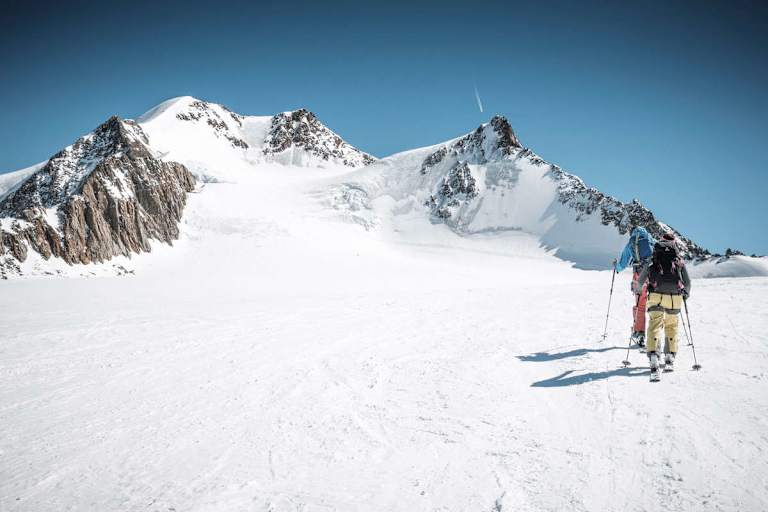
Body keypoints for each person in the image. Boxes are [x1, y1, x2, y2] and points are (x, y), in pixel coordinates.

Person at [636, 233, 691, 375]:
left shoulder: (655, 255)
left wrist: (638, 289)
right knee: (671, 325)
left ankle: (654, 355)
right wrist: (686, 294)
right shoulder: (677, 258)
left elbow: (642, 277)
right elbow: (688, 281)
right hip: (674, 297)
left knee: (655, 324)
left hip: (656, 295)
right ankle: (670, 356)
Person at [614, 224, 656, 347]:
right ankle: (655, 335)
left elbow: (623, 261)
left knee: (640, 304)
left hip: (639, 275)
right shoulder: (650, 239)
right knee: (655, 304)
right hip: (653, 275)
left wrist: (617, 267)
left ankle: (639, 333)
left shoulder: (632, 242)